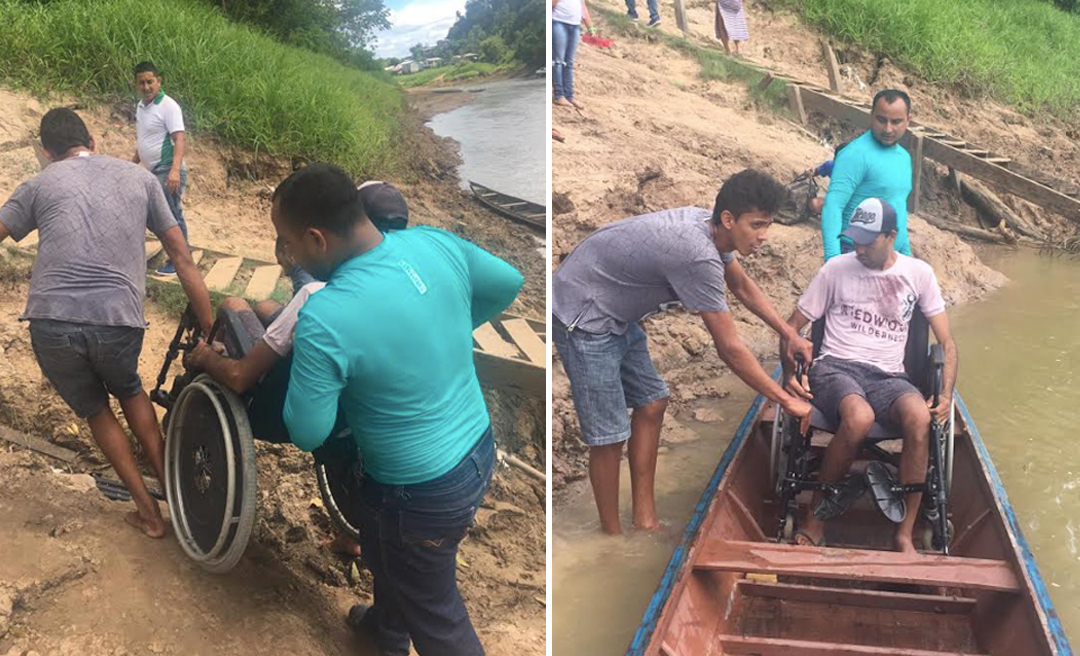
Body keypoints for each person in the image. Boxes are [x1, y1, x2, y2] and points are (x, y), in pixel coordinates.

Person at [271, 164, 523, 656]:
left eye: (289, 242)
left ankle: (400, 625)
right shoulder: (433, 244)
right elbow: (509, 282)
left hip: (418, 491)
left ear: (316, 240)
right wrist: (442, 330)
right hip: (476, 449)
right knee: (388, 549)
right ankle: (386, 631)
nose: (289, 254)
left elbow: (306, 430)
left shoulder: (325, 315)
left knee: (439, 618)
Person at [552, 169, 814, 536]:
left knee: (653, 402)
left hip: (618, 312)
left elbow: (740, 284)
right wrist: (784, 400)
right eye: (756, 225)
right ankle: (611, 535)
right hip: (584, 316)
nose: (763, 236)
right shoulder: (696, 256)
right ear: (728, 219)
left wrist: (790, 333)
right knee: (609, 436)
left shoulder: (712, 233)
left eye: (767, 225)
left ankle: (645, 519)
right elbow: (730, 348)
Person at [0, 108, 212, 538]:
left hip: (52, 323)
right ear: (92, 141)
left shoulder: (39, 183)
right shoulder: (140, 179)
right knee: (130, 390)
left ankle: (149, 516)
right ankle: (181, 494)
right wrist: (208, 327)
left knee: (96, 411)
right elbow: (181, 255)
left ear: (45, 151)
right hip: (119, 321)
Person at [184, 181, 411, 557]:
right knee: (271, 311)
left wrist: (207, 358)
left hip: (272, 410)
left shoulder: (319, 297)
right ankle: (352, 538)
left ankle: (215, 346)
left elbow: (241, 378)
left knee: (237, 304)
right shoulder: (402, 295)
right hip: (350, 423)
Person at [783, 198, 958, 553]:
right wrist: (790, 377)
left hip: (888, 376)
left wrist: (946, 394)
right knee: (859, 417)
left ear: (891, 236)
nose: (858, 248)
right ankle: (815, 519)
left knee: (918, 416)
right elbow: (792, 328)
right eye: (855, 240)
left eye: (867, 241)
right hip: (836, 367)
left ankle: (904, 533)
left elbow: (947, 343)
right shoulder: (835, 269)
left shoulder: (918, 274)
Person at [821, 89, 915, 261]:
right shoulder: (855, 154)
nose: (888, 129)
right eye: (881, 120)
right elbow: (833, 206)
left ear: (908, 120)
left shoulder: (904, 158)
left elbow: (899, 206)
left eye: (896, 122)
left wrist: (905, 255)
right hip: (856, 252)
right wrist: (832, 260)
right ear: (872, 116)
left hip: (892, 255)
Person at [132, 61, 189, 276]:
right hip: (151, 171)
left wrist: (174, 171)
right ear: (136, 84)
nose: (146, 87)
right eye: (141, 83)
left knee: (171, 216)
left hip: (167, 170)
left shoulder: (169, 106)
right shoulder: (141, 106)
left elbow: (179, 139)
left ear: (159, 81)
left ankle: (179, 262)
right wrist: (132, 163)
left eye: (150, 82)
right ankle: (174, 257)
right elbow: (144, 140)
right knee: (156, 215)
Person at [553, 0, 593, 110]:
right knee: (558, 61)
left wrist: (591, 28)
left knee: (569, 62)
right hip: (558, 22)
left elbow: (583, 8)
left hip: (575, 26)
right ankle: (559, 95)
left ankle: (569, 95)